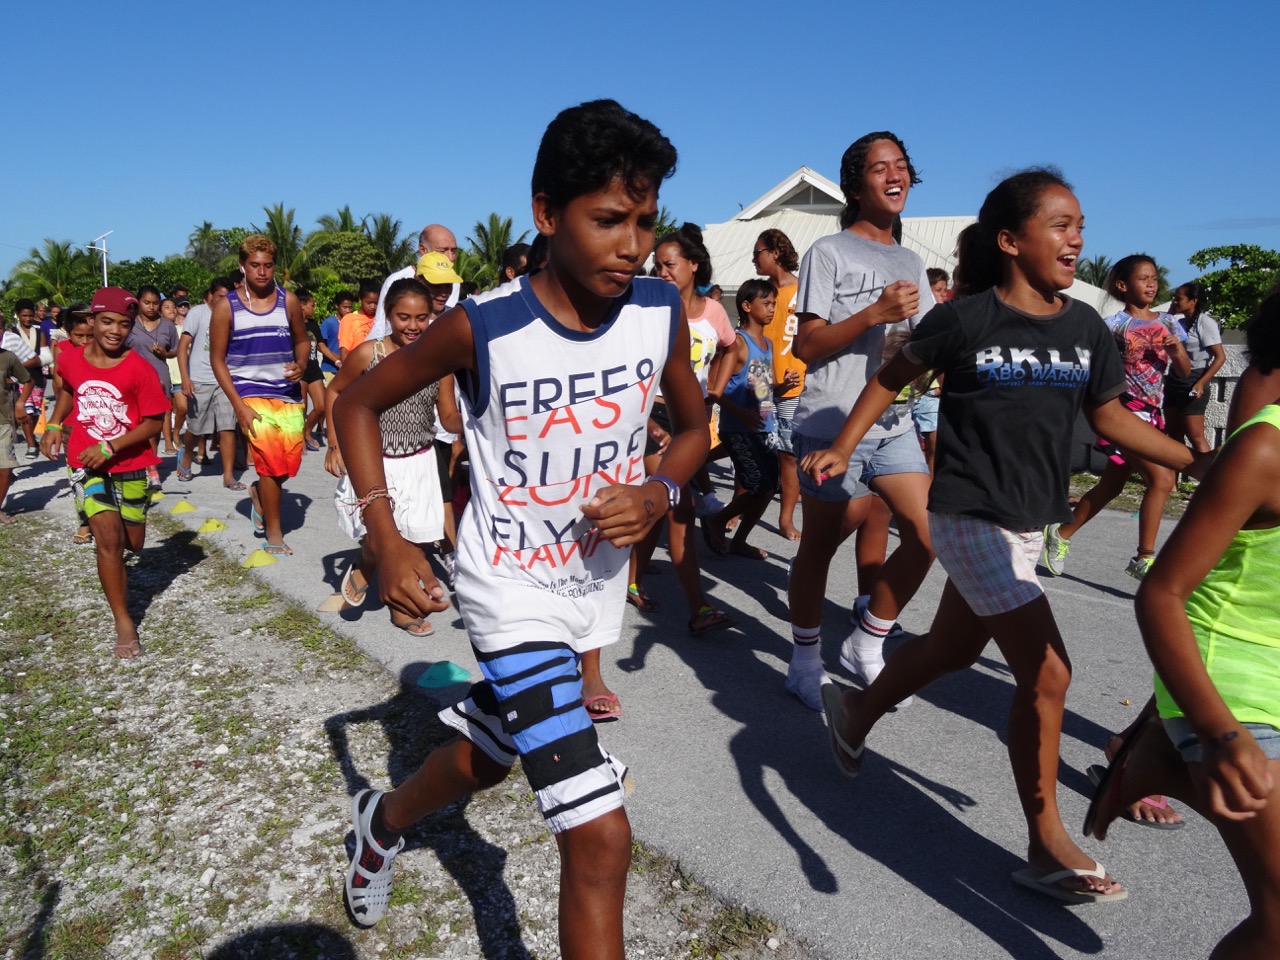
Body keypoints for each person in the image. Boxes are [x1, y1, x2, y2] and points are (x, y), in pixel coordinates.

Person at [332, 99, 705, 960]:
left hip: (592, 589)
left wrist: (658, 492)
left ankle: (380, 822)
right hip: (507, 590)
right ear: (546, 212)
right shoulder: (486, 324)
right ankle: (381, 817)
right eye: (609, 219)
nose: (633, 244)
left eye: (645, 222)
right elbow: (358, 401)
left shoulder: (658, 311)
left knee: (492, 752)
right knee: (601, 836)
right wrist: (386, 539)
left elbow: (691, 431)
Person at [808, 167, 1206, 903]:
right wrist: (846, 444)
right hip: (965, 514)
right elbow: (892, 377)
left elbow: (1111, 419)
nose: (1076, 237)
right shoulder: (965, 319)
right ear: (1010, 240)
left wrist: (1200, 462)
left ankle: (856, 708)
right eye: (1060, 224)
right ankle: (1046, 842)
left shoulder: (1086, 327)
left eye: (1080, 224)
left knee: (951, 648)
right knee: (1050, 673)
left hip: (1029, 521)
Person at [1085, 293, 1280, 957]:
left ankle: (1160, 761)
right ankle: (1177, 748)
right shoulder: (1266, 450)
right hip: (1233, 682)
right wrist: (1221, 732)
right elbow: (1162, 594)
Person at [784, 131, 937, 711]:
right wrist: (875, 312)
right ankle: (803, 662)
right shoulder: (830, 251)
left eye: (902, 165)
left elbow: (919, 341)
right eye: (880, 168)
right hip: (829, 422)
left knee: (928, 534)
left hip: (894, 422)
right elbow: (808, 346)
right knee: (822, 545)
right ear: (856, 184)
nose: (894, 176)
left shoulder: (911, 259)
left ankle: (867, 644)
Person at [324, 277, 460, 635]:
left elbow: (447, 415)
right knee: (379, 537)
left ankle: (402, 609)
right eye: (403, 317)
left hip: (419, 461)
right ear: (389, 315)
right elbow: (336, 391)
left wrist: (482, 423)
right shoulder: (370, 354)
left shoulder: (439, 360)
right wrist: (335, 443)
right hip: (373, 462)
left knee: (413, 540)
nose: (413, 326)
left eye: (421, 318)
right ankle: (367, 562)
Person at [1043, 255, 1191, 580]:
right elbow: (1090, 367)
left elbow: (1184, 371)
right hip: (1121, 414)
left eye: (1154, 278)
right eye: (1143, 278)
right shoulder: (1111, 325)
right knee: (1163, 480)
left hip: (1154, 414)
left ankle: (1061, 533)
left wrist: (1177, 350)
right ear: (1123, 285)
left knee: (1111, 485)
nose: (1151, 284)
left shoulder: (1168, 322)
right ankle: (1145, 558)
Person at [40, 287, 168, 657]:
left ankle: (121, 562)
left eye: (123, 324)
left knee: (133, 542)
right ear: (91, 322)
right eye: (107, 321)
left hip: (130, 464)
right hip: (85, 461)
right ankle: (124, 621)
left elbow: (154, 423)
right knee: (107, 540)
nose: (115, 330)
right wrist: (52, 424)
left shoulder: (139, 367)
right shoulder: (70, 359)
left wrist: (111, 445)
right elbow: (70, 391)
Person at [626, 224, 735, 633]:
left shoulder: (714, 312)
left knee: (660, 507)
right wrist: (650, 423)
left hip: (692, 420)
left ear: (693, 265)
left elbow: (730, 348)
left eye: (669, 264)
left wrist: (715, 391)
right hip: (652, 416)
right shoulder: (649, 309)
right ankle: (699, 607)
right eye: (658, 265)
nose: (662, 271)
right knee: (680, 504)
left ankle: (632, 578)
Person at [209, 236, 309, 555]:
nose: (262, 272)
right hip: (249, 393)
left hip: (287, 393)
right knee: (269, 462)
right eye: (255, 266)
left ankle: (257, 494)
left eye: (267, 266)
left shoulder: (288, 301)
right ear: (243, 266)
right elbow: (217, 358)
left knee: (285, 466)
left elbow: (303, 341)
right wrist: (238, 405)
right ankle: (275, 533)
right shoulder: (228, 306)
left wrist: (302, 364)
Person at [703, 279, 781, 559]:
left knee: (769, 488)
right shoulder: (736, 342)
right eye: (767, 303)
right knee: (759, 485)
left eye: (774, 303)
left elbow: (762, 387)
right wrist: (741, 414)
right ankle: (716, 519)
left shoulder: (767, 343)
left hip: (764, 426)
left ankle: (739, 540)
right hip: (737, 428)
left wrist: (780, 390)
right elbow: (713, 389)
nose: (772, 308)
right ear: (747, 306)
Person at [753, 228, 805, 540]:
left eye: (758, 252)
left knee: (788, 454)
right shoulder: (758, 292)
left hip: (793, 385)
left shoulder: (804, 289)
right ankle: (737, 510)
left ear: (775, 252)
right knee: (752, 446)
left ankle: (786, 520)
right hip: (760, 380)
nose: (753, 258)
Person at [176, 278, 241, 488]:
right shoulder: (198, 313)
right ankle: (187, 456)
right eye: (221, 296)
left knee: (227, 427)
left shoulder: (234, 315)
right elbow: (182, 346)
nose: (225, 300)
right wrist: (185, 378)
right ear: (211, 295)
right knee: (196, 428)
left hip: (225, 379)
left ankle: (228, 476)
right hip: (200, 378)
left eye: (228, 296)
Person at [366, 223, 461, 341]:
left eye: (453, 251)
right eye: (442, 251)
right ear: (422, 249)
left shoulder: (455, 282)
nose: (450, 257)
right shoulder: (396, 280)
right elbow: (380, 329)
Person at [124, 285, 180, 486]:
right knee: (134, 423)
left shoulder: (167, 325)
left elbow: (175, 349)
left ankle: (152, 467)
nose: (151, 307)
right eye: (147, 302)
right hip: (133, 379)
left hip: (160, 378)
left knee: (153, 425)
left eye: (155, 303)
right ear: (138, 302)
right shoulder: (129, 324)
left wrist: (165, 354)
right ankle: (138, 464)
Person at [1163, 280, 1226, 455]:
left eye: (1178, 299)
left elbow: (1220, 357)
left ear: (1193, 301)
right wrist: (1170, 313)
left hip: (1194, 380)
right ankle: (1172, 481)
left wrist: (1200, 384)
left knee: (1195, 435)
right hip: (1174, 380)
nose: (1175, 302)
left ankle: (1209, 478)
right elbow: (1161, 329)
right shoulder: (1180, 322)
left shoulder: (1205, 323)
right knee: (1174, 434)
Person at [50, 306, 96, 543]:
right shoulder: (64, 353)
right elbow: (61, 388)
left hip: (99, 422)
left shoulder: (103, 352)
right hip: (72, 421)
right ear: (69, 333)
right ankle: (85, 521)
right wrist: (55, 425)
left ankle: (105, 514)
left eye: (91, 335)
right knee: (78, 474)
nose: (86, 341)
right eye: (80, 336)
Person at [0, 336, 34, 523]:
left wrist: (21, 403)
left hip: (3, 420)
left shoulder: (8, 357)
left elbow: (28, 380)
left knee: (5, 468)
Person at [4, 299, 44, 456]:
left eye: (30, 315)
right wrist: (16, 369)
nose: (27, 319)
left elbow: (43, 355)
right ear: (18, 315)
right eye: (24, 316)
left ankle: (31, 435)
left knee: (35, 412)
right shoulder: (12, 333)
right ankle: (30, 444)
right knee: (26, 410)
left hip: (36, 375)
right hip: (18, 378)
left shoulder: (39, 332)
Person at [297, 289, 327, 450]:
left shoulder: (314, 324)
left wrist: (337, 358)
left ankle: (307, 432)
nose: (313, 308)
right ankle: (300, 438)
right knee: (301, 409)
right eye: (312, 305)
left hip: (314, 370)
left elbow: (321, 346)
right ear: (301, 305)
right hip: (300, 371)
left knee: (322, 406)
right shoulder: (291, 323)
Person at [338, 280, 380, 364]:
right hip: (357, 368)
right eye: (369, 303)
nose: (373, 306)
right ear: (360, 300)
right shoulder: (349, 319)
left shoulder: (381, 319)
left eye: (376, 303)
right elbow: (344, 351)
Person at [318, 291, 352, 382]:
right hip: (330, 370)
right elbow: (320, 346)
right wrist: (337, 358)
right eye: (345, 307)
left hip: (348, 371)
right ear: (336, 306)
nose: (348, 311)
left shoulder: (353, 323)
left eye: (350, 307)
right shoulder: (329, 323)